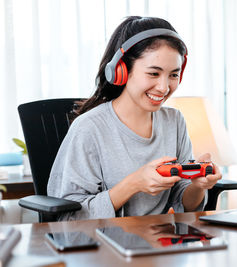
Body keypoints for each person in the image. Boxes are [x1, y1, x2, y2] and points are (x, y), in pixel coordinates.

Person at [47, 16, 222, 221]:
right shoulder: (89, 128)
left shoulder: (174, 121)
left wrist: (197, 187)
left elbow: (186, 204)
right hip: (103, 245)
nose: (164, 88)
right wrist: (134, 183)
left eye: (173, 75)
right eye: (154, 73)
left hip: (159, 242)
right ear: (121, 71)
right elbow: (69, 218)